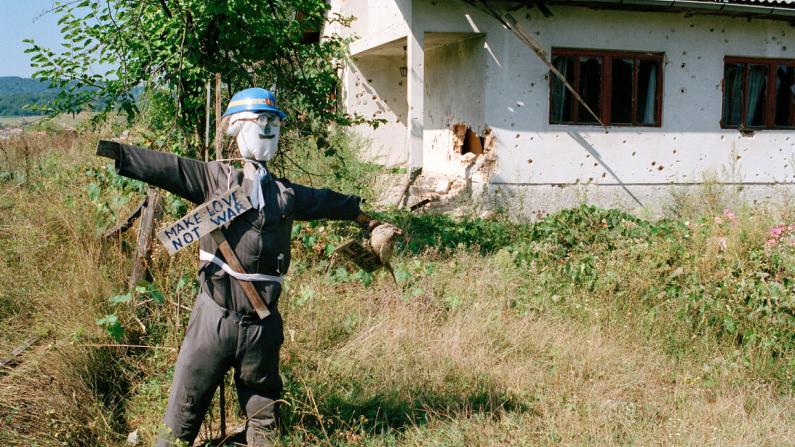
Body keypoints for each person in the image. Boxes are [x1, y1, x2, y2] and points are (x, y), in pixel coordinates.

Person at [99, 88, 380, 446]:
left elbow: (327, 201)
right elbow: (169, 168)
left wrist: (368, 221)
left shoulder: (286, 195)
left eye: (274, 122)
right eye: (260, 121)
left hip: (262, 328)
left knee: (264, 416)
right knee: (181, 417)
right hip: (213, 319)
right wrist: (120, 153)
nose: (268, 128)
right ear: (236, 128)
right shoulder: (215, 180)